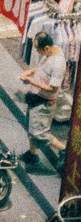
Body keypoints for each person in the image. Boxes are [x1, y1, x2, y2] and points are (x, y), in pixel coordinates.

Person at [20, 30, 67, 167]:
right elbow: (42, 69)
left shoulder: (58, 64)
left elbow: (53, 89)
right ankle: (32, 155)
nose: (36, 51)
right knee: (31, 126)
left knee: (39, 133)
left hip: (44, 102)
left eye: (37, 49)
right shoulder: (53, 51)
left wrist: (31, 82)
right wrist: (31, 71)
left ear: (46, 48)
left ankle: (64, 150)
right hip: (35, 96)